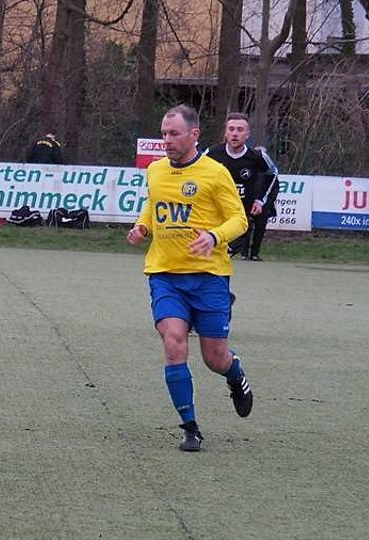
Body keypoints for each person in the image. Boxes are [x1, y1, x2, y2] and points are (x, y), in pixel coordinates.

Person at [125, 104, 253, 452]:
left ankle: (234, 373)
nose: (166, 140)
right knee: (173, 342)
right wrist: (142, 226)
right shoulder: (155, 170)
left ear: (194, 135)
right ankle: (190, 426)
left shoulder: (215, 173)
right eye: (163, 134)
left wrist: (214, 236)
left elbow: (239, 220)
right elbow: (153, 204)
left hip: (209, 277)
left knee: (214, 357)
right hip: (165, 274)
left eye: (174, 134)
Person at [205, 113, 279, 261]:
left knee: (227, 250)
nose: (235, 133)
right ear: (225, 133)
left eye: (240, 130)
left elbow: (273, 175)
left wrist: (260, 200)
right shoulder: (212, 154)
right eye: (231, 129)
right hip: (216, 211)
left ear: (247, 134)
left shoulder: (257, 157)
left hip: (241, 214)